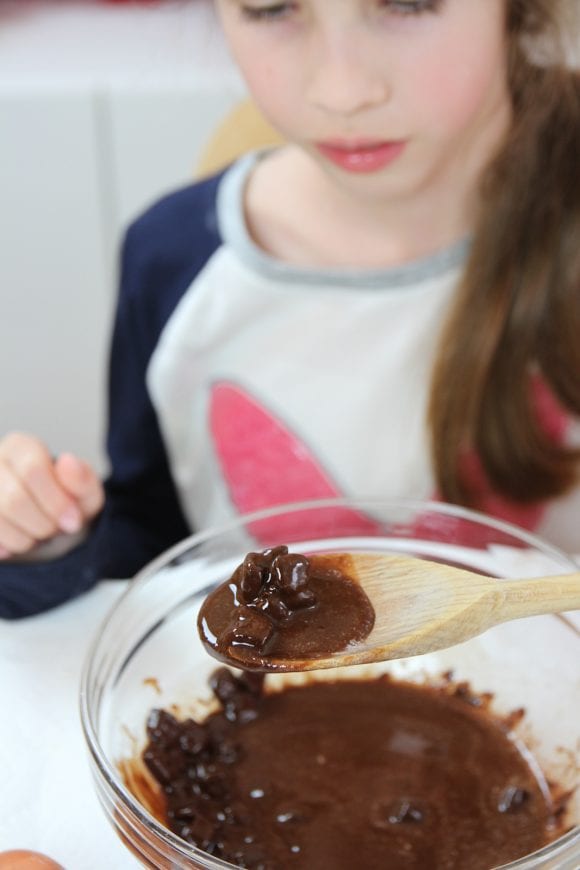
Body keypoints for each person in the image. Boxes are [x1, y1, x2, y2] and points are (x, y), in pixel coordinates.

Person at [1, 0, 578, 620]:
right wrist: (53, 539)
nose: (342, 91)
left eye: (407, 5)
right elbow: (153, 541)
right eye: (272, 10)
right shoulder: (173, 260)